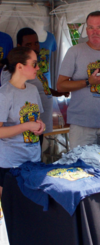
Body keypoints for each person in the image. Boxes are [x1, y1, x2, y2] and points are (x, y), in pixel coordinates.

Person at [57, 11, 100, 148]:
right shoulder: (74, 52)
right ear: (86, 30)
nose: (95, 32)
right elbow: (60, 86)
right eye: (91, 27)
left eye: (99, 27)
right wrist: (88, 82)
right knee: (81, 166)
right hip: (81, 126)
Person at [1, 28, 69, 148]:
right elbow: (13, 96)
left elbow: (42, 88)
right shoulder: (9, 77)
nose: (34, 47)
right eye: (29, 44)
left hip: (36, 128)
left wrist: (58, 93)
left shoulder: (33, 72)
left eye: (36, 43)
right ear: (19, 46)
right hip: (18, 141)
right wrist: (26, 125)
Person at [0, 47, 46, 200]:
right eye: (33, 64)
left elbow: (35, 119)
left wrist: (40, 126)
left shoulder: (33, 90)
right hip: (11, 164)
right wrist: (26, 126)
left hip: (33, 160)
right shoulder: (4, 94)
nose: (38, 67)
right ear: (19, 67)